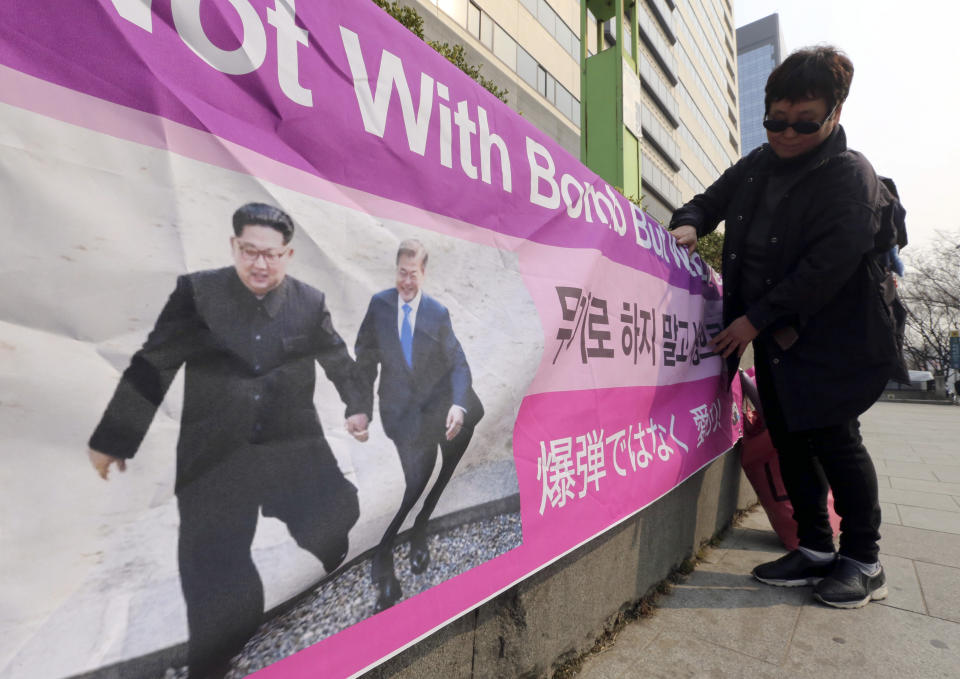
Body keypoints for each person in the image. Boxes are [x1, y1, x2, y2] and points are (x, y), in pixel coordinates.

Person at [87, 203, 369, 676]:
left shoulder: (308, 303)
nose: (260, 264)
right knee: (214, 561)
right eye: (250, 251)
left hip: (291, 447)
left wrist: (357, 405)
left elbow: (339, 360)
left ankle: (321, 536)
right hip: (215, 453)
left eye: (271, 255)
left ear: (288, 254)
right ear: (234, 247)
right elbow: (155, 361)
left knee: (336, 514)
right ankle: (216, 660)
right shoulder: (197, 294)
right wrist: (115, 436)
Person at [669, 46, 902, 609]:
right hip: (774, 340)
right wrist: (689, 224)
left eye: (805, 123)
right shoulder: (755, 165)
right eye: (776, 120)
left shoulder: (851, 176)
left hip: (833, 338)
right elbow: (709, 200)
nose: (787, 134)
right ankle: (816, 548)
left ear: (835, 115)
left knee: (836, 441)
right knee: (789, 438)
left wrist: (754, 319)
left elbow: (827, 267)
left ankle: (864, 560)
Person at [352, 239, 483, 612]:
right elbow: (364, 359)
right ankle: (384, 554)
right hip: (402, 412)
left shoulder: (437, 312)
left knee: (449, 460)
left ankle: (422, 524)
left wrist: (459, 404)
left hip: (442, 406)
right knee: (415, 481)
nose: (407, 281)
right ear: (396, 270)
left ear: (424, 274)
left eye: (414, 274)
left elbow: (458, 362)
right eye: (402, 273)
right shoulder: (379, 305)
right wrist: (359, 409)